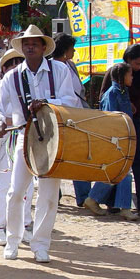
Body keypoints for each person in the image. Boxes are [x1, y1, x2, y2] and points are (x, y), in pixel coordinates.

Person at [0, 25, 78, 263]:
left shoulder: (59, 70)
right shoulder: (13, 75)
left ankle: (41, 244)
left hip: (53, 139)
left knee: (49, 196)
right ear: (22, 48)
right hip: (24, 138)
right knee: (16, 192)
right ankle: (12, 241)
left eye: (34, 43)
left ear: (43, 47)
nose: (30, 47)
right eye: (26, 44)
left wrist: (47, 102)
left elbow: (71, 102)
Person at [0, 49, 35, 246]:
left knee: (27, 187)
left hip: (24, 139)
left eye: (18, 62)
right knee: (4, 186)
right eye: (10, 63)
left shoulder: (28, 85)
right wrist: (12, 121)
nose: (14, 66)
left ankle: (24, 225)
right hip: (4, 141)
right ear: (3, 68)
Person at [99, 43, 140, 218]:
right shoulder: (115, 71)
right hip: (116, 124)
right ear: (128, 59)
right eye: (136, 64)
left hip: (135, 122)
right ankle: (113, 201)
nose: (139, 67)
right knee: (117, 162)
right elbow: (103, 96)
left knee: (137, 162)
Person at [83, 63, 139, 221]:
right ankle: (122, 207)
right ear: (122, 76)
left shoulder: (122, 92)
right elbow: (109, 119)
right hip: (116, 140)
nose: (132, 77)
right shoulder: (112, 94)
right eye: (130, 74)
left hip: (124, 138)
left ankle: (96, 200)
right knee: (121, 171)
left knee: (119, 172)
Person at [51, 32, 92, 207]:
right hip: (60, 116)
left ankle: (83, 195)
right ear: (65, 49)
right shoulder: (52, 67)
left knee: (79, 155)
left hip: (77, 116)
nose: (74, 52)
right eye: (72, 48)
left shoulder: (71, 66)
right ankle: (54, 193)